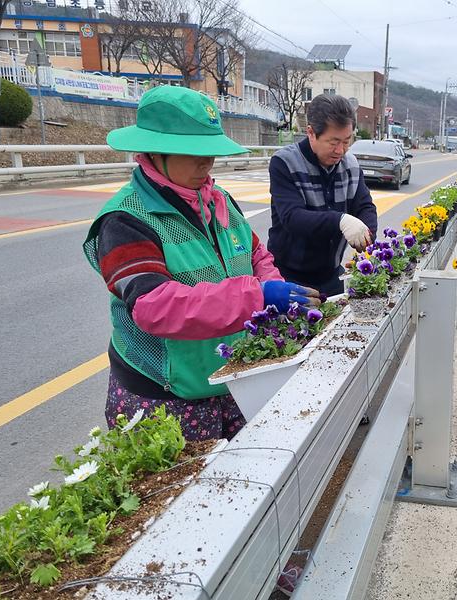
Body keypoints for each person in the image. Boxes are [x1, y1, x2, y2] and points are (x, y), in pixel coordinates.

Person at [83, 85, 321, 443]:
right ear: (154, 151)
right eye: (193, 153)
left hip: (230, 376)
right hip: (163, 395)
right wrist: (257, 298)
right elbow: (155, 307)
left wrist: (272, 287)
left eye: (210, 153)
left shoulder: (217, 199)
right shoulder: (125, 219)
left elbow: (255, 255)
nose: (206, 163)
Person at [268, 94, 378, 296]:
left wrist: (366, 234)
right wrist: (340, 221)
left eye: (346, 141)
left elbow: (364, 206)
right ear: (311, 132)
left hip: (331, 275)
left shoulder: (350, 164)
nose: (340, 150)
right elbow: (292, 218)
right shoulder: (284, 162)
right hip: (288, 275)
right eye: (333, 142)